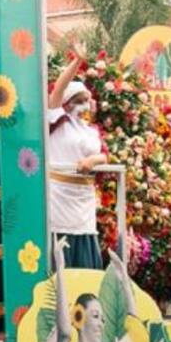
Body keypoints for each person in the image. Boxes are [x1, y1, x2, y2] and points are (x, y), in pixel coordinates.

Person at [46, 40, 108, 269]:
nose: (84, 106)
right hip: (60, 200)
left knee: (85, 259)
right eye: (78, 101)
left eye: (87, 101)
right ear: (67, 103)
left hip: (84, 201)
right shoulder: (57, 121)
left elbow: (105, 156)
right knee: (62, 261)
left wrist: (93, 160)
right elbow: (58, 89)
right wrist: (77, 62)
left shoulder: (91, 131)